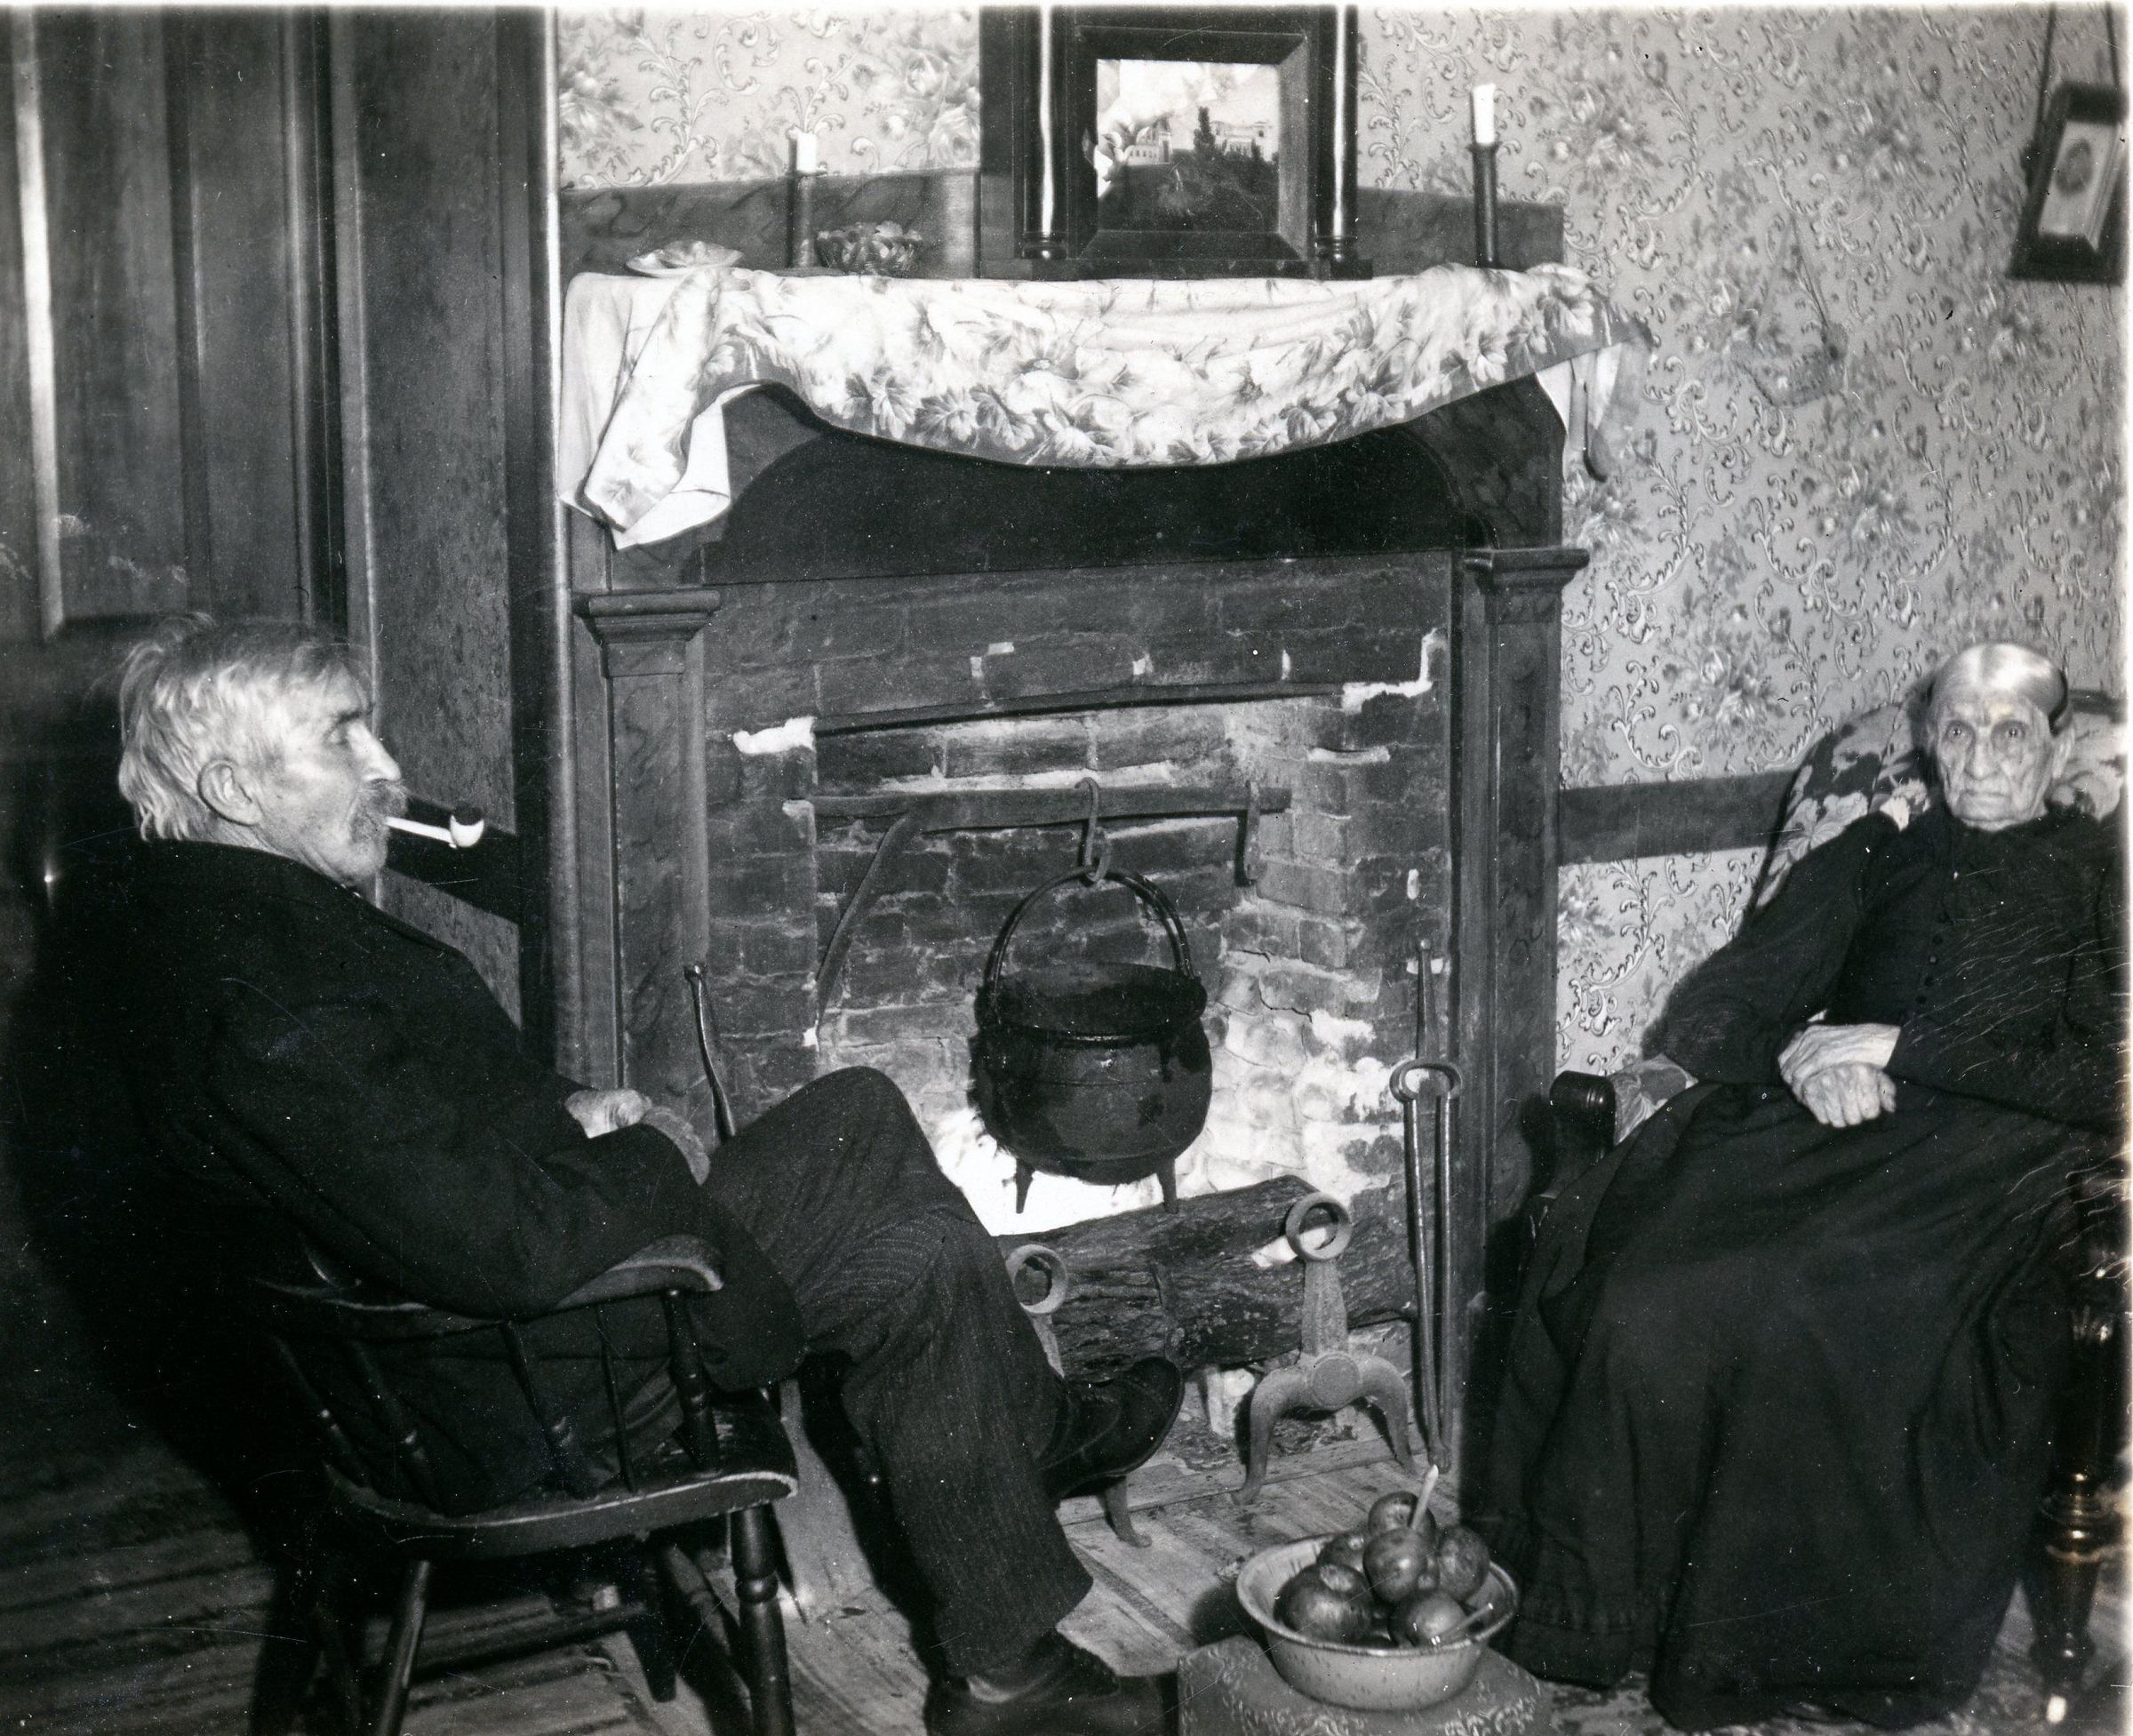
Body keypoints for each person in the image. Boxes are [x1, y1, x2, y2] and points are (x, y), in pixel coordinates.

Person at [86, 613, 1183, 1736]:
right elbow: (504, 1251)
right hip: (520, 1378)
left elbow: (407, 1133)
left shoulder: (223, 925)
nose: (386, 765)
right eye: (342, 737)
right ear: (232, 788)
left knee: (858, 1111)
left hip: (477, 1332)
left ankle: (1031, 1468)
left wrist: (561, 1111)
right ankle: (1017, 1594)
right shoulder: (266, 1000)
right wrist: (646, 1156)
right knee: (922, 1258)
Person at [1482, 642, 2126, 1729]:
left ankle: (1776, 1657)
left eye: (2011, 733)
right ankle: (1595, 1619)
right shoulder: (1876, 853)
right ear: (1928, 743)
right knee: (1648, 1291)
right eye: (1959, 731)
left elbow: (2109, 1070)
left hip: (1995, 1160)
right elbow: (1713, 1012)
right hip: (1819, 1129)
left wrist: (1903, 1046)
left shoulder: (2104, 876)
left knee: (1801, 1297)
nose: (1981, 758)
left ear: (2057, 749)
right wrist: (1802, 1058)